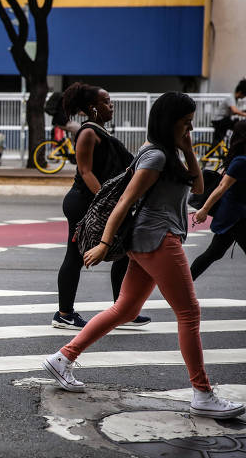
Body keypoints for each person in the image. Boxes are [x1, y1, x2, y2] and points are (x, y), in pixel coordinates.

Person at [43, 92, 245, 420]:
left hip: (151, 240)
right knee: (190, 313)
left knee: (126, 308)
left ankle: (62, 358)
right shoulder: (155, 157)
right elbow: (124, 201)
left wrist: (188, 147)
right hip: (158, 240)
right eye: (185, 121)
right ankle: (203, 393)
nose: (190, 126)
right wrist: (105, 244)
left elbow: (196, 188)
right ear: (170, 122)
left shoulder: (170, 154)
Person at [52, 83, 151, 330]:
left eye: (110, 101)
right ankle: (64, 314)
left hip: (99, 202)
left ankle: (123, 310)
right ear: (92, 107)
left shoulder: (101, 132)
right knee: (74, 256)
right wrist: (105, 202)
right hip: (83, 202)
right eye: (107, 101)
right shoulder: (87, 133)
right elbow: (85, 172)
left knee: (124, 252)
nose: (111, 105)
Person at [190, 120, 246, 279]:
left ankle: (182, 285)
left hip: (234, 216)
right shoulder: (240, 161)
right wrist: (204, 210)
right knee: (213, 253)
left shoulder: (239, 159)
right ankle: (182, 286)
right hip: (236, 216)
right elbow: (221, 188)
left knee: (214, 253)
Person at [211, 79, 246, 145]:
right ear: (240, 92)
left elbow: (236, 111)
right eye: (244, 95)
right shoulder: (231, 98)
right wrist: (244, 114)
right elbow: (235, 111)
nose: (244, 97)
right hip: (219, 121)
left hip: (222, 121)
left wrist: (243, 112)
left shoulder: (235, 99)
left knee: (217, 142)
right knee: (238, 124)